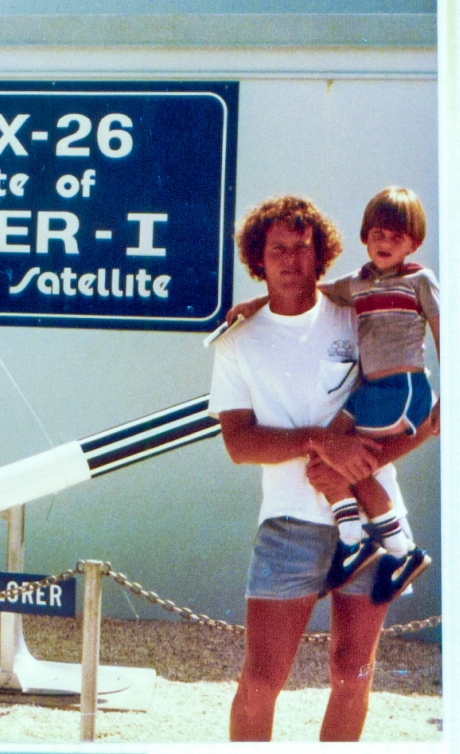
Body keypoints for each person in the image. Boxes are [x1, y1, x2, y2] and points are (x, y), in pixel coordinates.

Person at [208, 195, 436, 742]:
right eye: (277, 249)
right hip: (288, 527)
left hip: (374, 522)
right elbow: (239, 443)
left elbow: (419, 418)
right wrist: (319, 443)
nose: (290, 259)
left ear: (321, 256)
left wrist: (358, 465)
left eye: (301, 248)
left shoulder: (359, 315)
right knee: (261, 682)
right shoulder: (237, 340)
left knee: (351, 678)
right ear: (257, 260)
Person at [226, 187, 438, 602]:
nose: (386, 243)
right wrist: (256, 304)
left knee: (329, 459)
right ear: (364, 236)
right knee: (329, 460)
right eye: (378, 233)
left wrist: (448, 398)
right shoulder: (356, 288)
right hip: (297, 510)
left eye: (398, 236)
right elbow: (311, 291)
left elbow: (445, 339)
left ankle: (368, 543)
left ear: (414, 243)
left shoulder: (409, 287)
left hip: (395, 409)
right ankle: (386, 547)